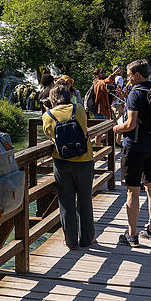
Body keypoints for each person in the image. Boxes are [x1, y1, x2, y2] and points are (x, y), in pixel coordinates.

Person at [112, 59, 151, 247]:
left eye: (129, 74)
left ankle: (132, 235)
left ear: (137, 75)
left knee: (132, 191)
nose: (127, 78)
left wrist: (117, 129)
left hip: (134, 146)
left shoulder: (136, 93)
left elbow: (131, 124)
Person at [42, 84, 95, 249]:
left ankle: (71, 241)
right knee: (85, 200)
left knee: (66, 202)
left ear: (52, 100)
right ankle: (87, 239)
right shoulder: (78, 108)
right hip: (85, 161)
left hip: (62, 162)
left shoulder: (48, 115)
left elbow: (50, 136)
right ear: (68, 96)